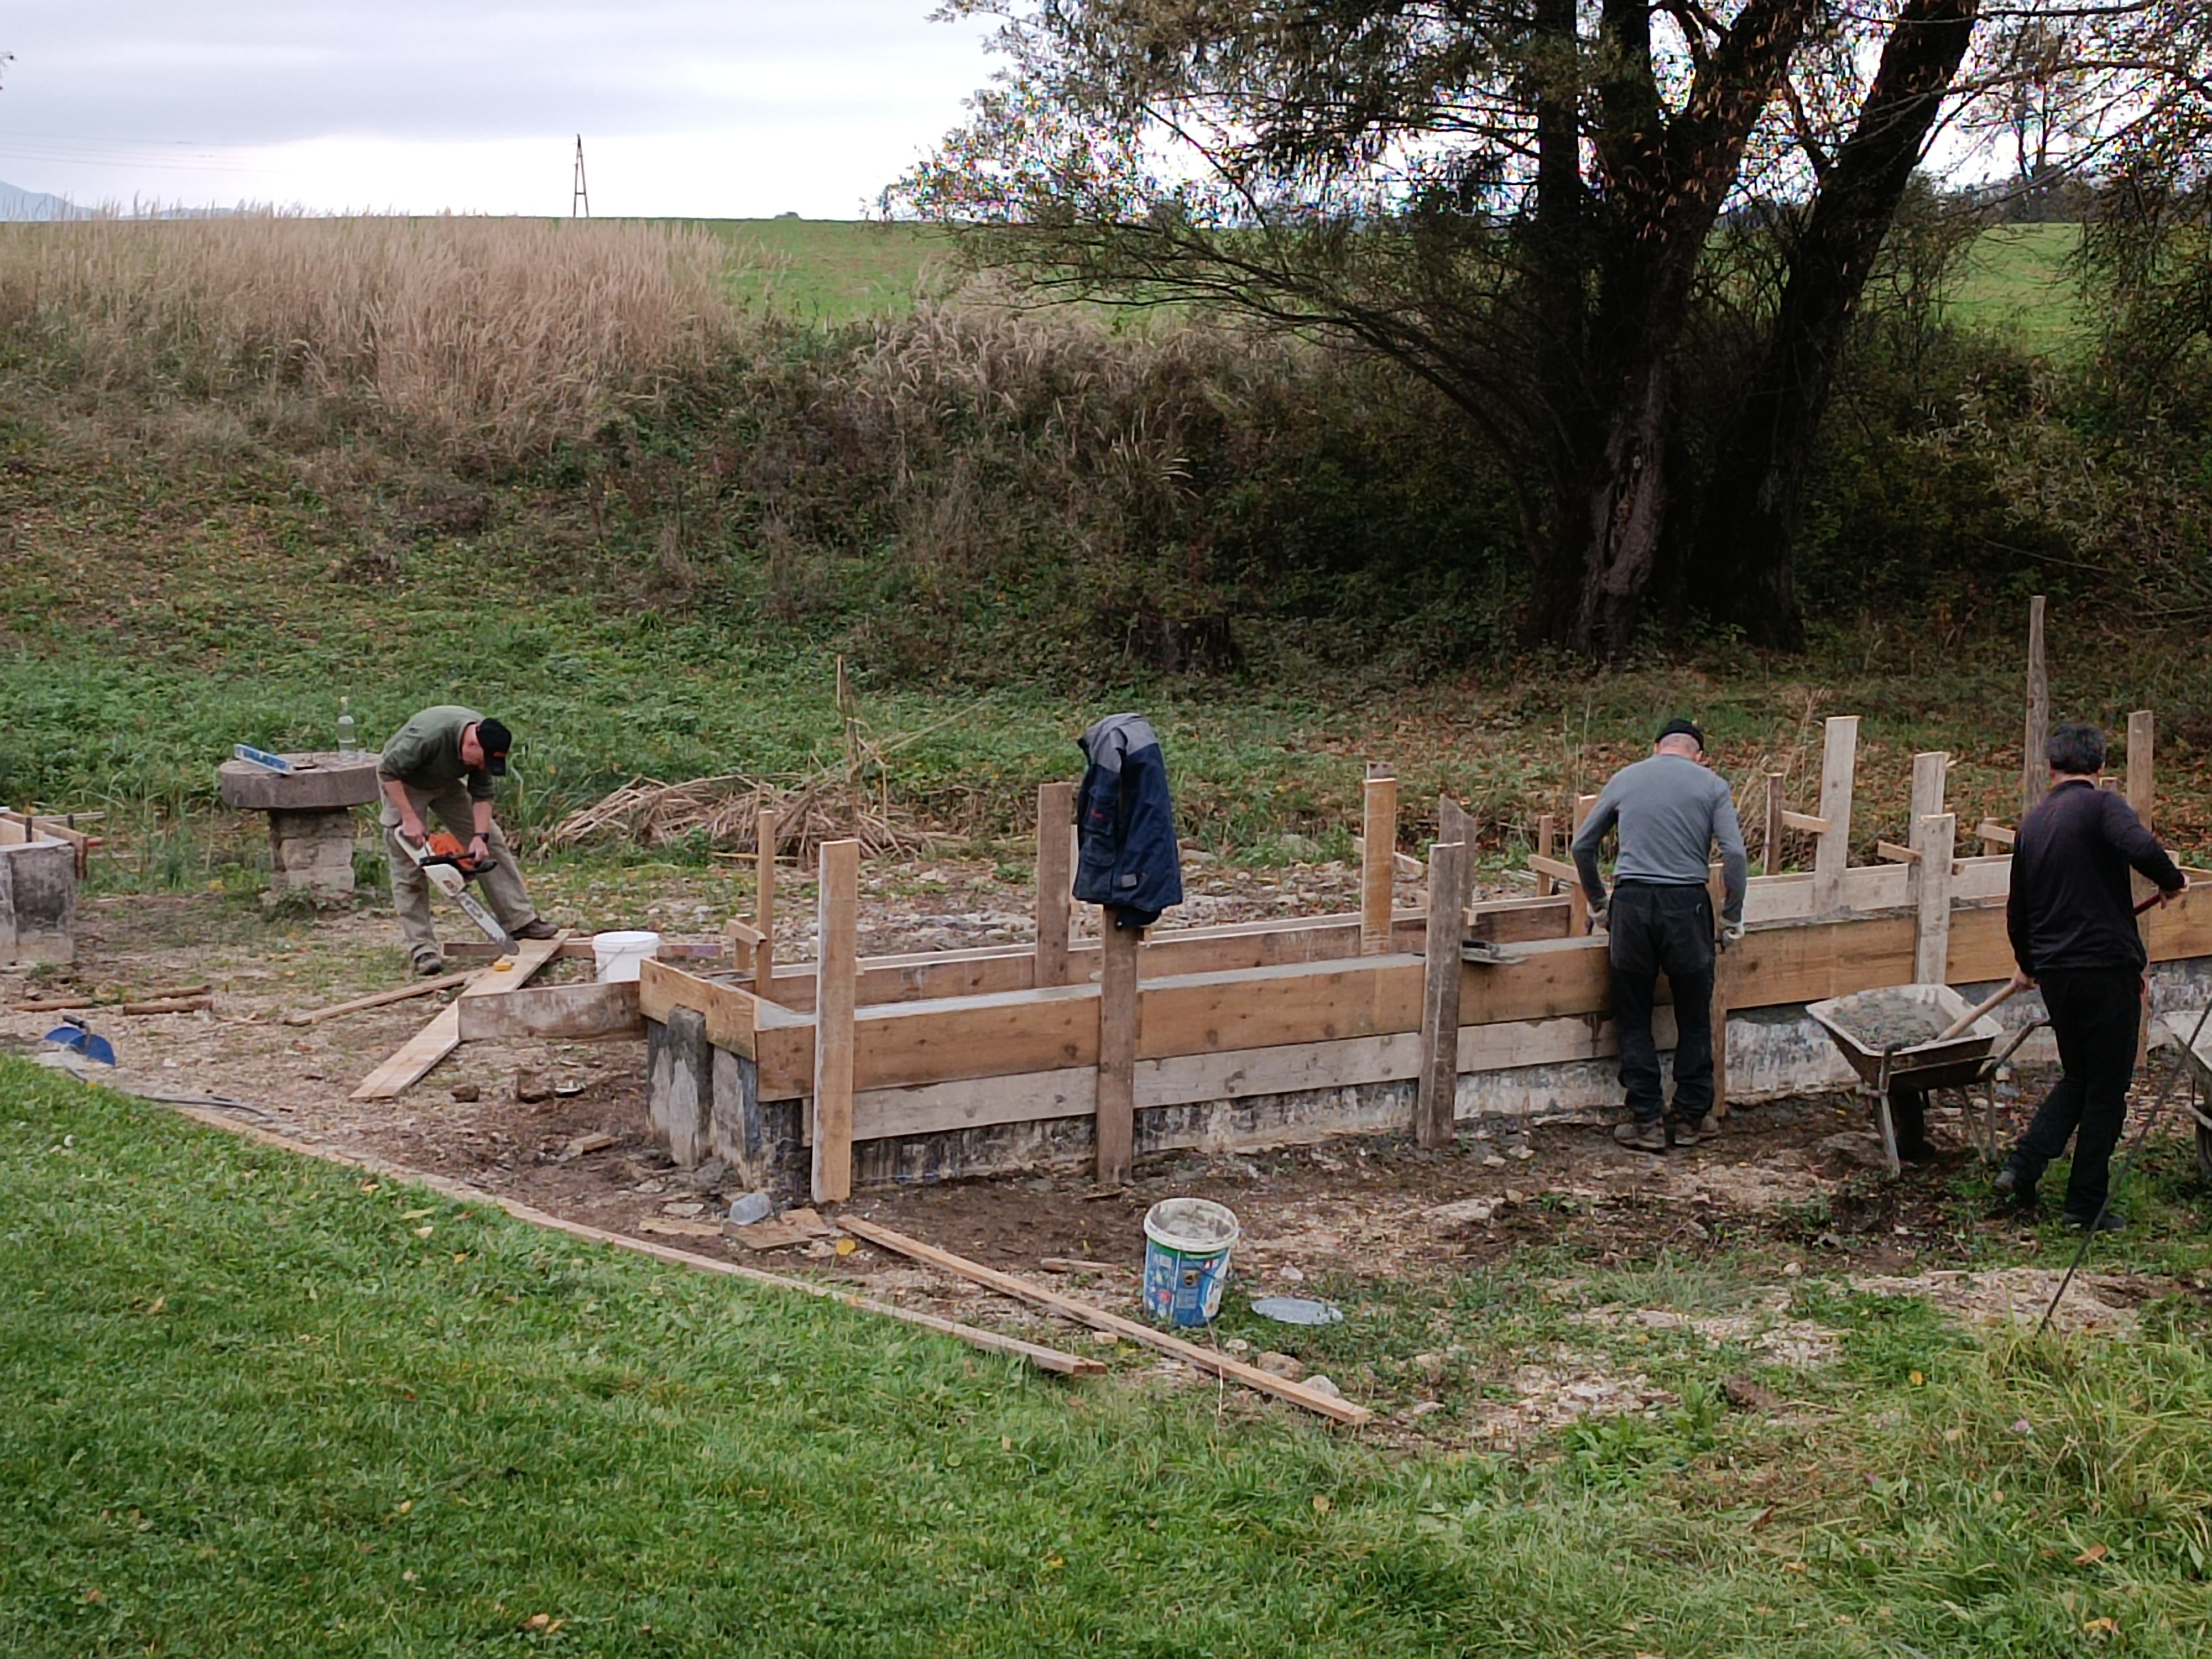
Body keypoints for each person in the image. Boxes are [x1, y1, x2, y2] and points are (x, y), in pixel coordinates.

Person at [1994, 722, 2187, 1229]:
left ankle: (2023, 1165)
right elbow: (2140, 847)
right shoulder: (2103, 806)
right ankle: (2084, 1206)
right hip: (2104, 968)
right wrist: (2171, 880)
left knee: (2081, 1075)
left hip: (2058, 973)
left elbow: (2018, 910)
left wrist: (2030, 964)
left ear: (2050, 767)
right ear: (2100, 769)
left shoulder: (2032, 824)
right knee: (2107, 1088)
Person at [1572, 718, 1749, 1152]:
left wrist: (1599, 903)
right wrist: (1731, 917)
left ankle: (1647, 1120)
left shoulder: (1626, 778)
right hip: (1686, 907)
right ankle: (1691, 1118)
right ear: (1699, 754)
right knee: (1693, 1013)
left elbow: (1582, 846)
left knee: (1633, 1014)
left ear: (1656, 748)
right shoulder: (1712, 785)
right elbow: (1736, 855)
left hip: (1631, 907)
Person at [376, 706, 559, 973]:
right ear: (471, 743)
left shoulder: (486, 742)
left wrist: (479, 838)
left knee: (493, 843)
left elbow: (482, 795)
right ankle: (423, 949)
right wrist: (409, 817)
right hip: (404, 783)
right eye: (481, 761)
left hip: (446, 783)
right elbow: (388, 771)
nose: (482, 767)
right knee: (409, 866)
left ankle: (520, 920)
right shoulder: (428, 736)